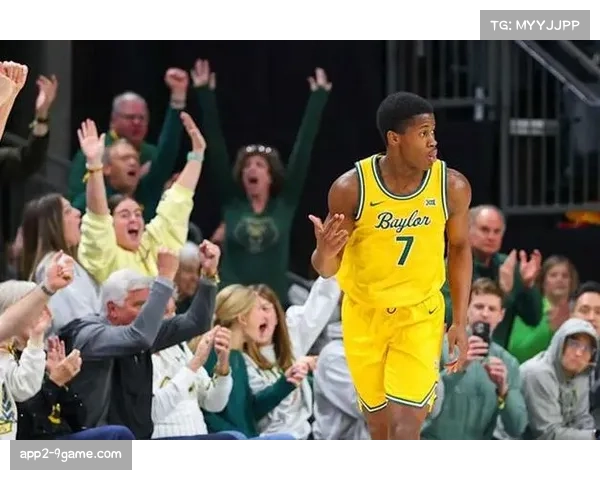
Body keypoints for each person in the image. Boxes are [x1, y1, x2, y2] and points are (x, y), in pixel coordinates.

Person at [310, 92, 473, 440]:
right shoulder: (351, 189)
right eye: (424, 133)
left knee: (406, 426)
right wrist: (323, 251)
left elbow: (459, 248)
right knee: (379, 427)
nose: (433, 141)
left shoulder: (451, 186)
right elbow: (326, 269)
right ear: (395, 139)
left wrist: (460, 320)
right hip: (364, 314)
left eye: (433, 132)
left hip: (419, 315)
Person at [192, 60, 331, 305]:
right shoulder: (232, 203)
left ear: (270, 176)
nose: (251, 169)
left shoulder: (284, 205)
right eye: (246, 165)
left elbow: (302, 151)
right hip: (232, 301)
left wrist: (318, 98)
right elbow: (216, 149)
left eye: (259, 165)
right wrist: (204, 93)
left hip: (270, 303)